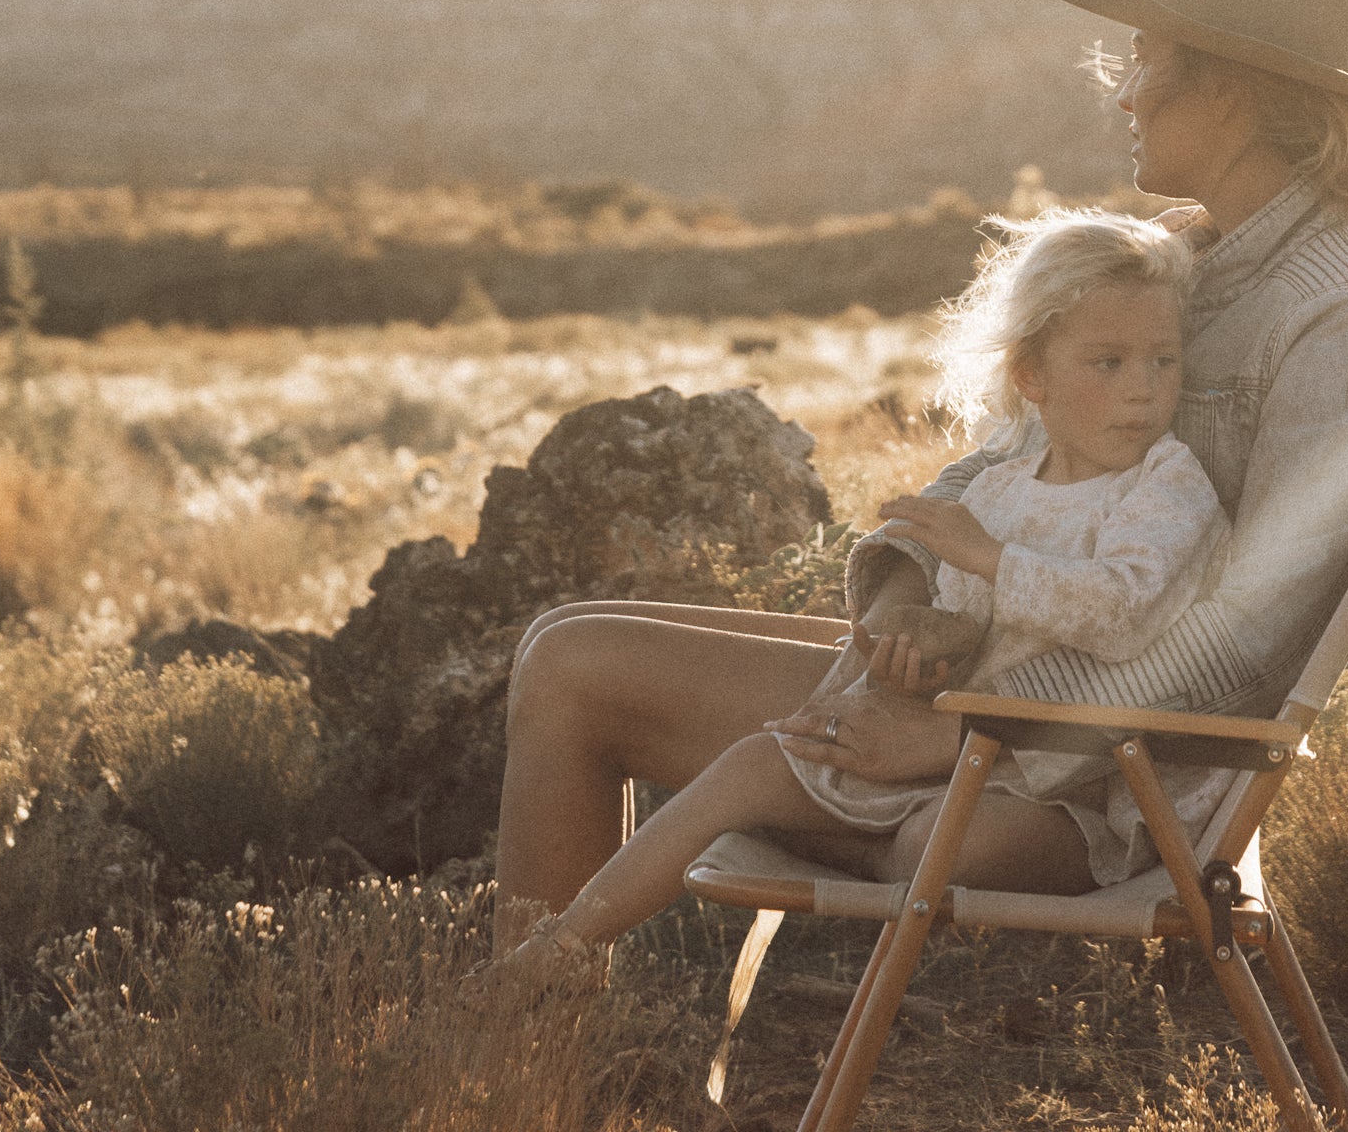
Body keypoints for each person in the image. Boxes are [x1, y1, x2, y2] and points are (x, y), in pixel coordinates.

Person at [494, 0, 1348, 947]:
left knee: (580, 679)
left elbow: (1243, 640)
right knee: (562, 649)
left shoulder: (1341, 323)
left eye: (1143, 59)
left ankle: (516, 1030)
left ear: (1231, 94)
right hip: (993, 684)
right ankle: (538, 1032)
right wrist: (904, 598)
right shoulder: (1195, 254)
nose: (1124, 96)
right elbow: (1003, 461)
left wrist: (982, 736)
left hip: (1097, 771)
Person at [504, 212, 1228, 968]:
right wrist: (920, 648)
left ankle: (818, 846)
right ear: (1031, 377)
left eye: (1164, 362)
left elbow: (1123, 610)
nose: (1144, 390)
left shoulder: (1166, 483)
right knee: (756, 757)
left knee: (941, 845)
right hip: (965, 749)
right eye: (1109, 363)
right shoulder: (1004, 487)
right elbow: (971, 617)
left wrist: (989, 561)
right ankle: (546, 959)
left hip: (1067, 788)